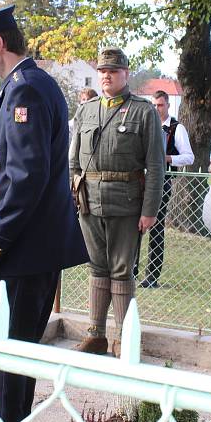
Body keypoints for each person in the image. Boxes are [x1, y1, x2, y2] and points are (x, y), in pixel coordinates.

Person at [0, 5, 88, 422]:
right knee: (11, 357)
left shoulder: (25, 91)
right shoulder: (28, 85)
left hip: (24, 252)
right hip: (33, 250)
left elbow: (26, 180)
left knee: (0, 358)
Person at [70, 47, 164, 356]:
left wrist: (149, 210)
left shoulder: (143, 111)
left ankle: (124, 338)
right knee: (97, 267)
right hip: (90, 201)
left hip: (126, 203)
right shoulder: (86, 110)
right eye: (102, 71)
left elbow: (156, 165)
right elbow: (73, 161)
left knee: (122, 269)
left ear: (125, 73)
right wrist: (75, 192)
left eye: (112, 70)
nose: (106, 75)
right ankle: (95, 333)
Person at [136, 90, 194, 288]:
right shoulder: (145, 125)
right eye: (153, 105)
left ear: (168, 105)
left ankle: (152, 276)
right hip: (139, 182)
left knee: (157, 228)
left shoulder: (177, 128)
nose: (156, 108)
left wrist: (167, 158)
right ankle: (131, 271)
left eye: (160, 105)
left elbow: (189, 157)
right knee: (134, 227)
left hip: (162, 183)